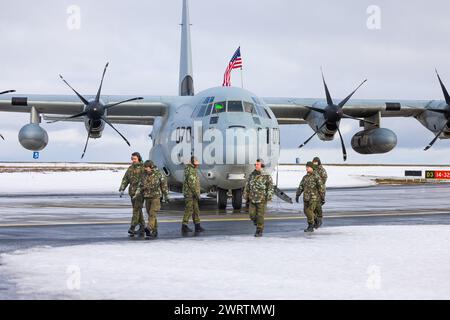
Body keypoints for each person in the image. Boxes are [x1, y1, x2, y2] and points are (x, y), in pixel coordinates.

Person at [134, 160, 169, 239]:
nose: (146, 169)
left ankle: (149, 228)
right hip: (147, 197)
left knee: (152, 214)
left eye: (147, 167)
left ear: (151, 167)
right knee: (151, 215)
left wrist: (166, 195)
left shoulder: (159, 174)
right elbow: (140, 185)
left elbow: (164, 185)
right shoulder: (144, 175)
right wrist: (137, 193)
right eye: (145, 167)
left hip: (156, 197)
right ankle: (154, 231)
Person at [243, 159, 274, 237]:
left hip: (262, 199)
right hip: (252, 198)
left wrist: (269, 196)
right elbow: (247, 186)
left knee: (260, 215)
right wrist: (245, 195)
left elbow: (270, 187)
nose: (256, 165)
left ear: (262, 165)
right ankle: (258, 224)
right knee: (251, 215)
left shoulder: (266, 176)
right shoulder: (252, 175)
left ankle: (259, 230)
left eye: (257, 164)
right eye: (255, 164)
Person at [119, 152, 145, 237]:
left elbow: (144, 181)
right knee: (137, 209)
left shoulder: (143, 168)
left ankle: (132, 227)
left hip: (140, 193)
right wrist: (122, 188)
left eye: (135, 159)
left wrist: (139, 190)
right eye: (132, 159)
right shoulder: (130, 168)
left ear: (139, 158)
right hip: (132, 193)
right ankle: (142, 226)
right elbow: (125, 179)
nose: (133, 160)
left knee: (136, 210)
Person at [296, 161, 325, 233]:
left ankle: (310, 226)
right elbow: (301, 186)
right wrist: (297, 194)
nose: (306, 168)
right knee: (306, 211)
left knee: (309, 211)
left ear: (311, 168)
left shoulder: (316, 176)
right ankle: (316, 219)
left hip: (313, 198)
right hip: (306, 197)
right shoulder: (305, 177)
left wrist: (322, 198)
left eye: (308, 167)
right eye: (306, 167)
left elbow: (321, 188)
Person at [181, 156, 204, 236]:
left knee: (196, 209)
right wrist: (197, 194)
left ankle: (197, 225)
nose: (198, 165)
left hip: (192, 193)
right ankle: (184, 226)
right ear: (193, 163)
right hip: (190, 193)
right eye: (196, 163)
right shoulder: (190, 170)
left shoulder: (192, 169)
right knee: (189, 209)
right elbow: (192, 184)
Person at [312, 156, 327, 228]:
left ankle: (319, 220)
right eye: (313, 162)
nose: (314, 163)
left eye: (315, 162)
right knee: (313, 207)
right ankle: (315, 221)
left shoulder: (322, 170)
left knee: (318, 207)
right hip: (313, 191)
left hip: (320, 191)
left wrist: (318, 184)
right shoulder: (313, 169)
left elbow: (324, 178)